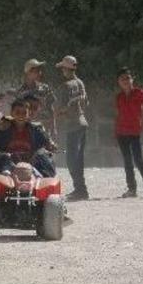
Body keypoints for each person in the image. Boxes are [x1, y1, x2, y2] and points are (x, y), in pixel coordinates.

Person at [0, 98, 57, 228]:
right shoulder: (3, 126)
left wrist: (51, 146)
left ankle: (59, 211)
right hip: (6, 162)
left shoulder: (36, 128)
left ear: (29, 114)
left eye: (24, 113)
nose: (21, 116)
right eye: (17, 112)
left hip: (32, 163)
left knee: (49, 181)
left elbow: (47, 142)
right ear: (12, 113)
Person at [115, 67, 143, 198]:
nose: (125, 81)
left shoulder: (139, 93)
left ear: (132, 79)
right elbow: (119, 114)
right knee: (127, 161)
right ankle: (131, 189)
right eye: (122, 79)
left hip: (134, 132)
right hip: (121, 132)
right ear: (118, 82)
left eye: (128, 78)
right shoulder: (119, 97)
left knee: (138, 160)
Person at [54, 55, 89, 201]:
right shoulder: (80, 82)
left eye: (63, 68)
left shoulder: (65, 86)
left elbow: (60, 108)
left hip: (72, 126)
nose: (62, 71)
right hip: (83, 123)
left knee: (70, 160)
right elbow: (86, 103)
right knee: (78, 159)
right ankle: (81, 190)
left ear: (65, 69)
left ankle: (80, 189)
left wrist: (57, 114)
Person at [15, 59, 57, 138]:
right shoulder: (20, 92)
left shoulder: (45, 88)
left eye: (39, 70)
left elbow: (51, 108)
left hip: (45, 128)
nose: (40, 73)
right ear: (28, 72)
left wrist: (53, 128)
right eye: (36, 71)